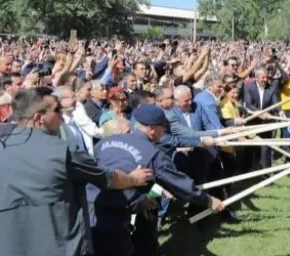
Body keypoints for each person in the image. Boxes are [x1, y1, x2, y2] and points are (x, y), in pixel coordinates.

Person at [0, 87, 152, 256]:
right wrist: (133, 179)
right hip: (58, 245)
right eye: (57, 110)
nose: (62, 117)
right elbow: (109, 178)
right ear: (38, 118)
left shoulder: (2, 145)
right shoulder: (61, 151)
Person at [87, 104, 225, 256]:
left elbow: (108, 175)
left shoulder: (103, 143)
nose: (165, 130)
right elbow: (179, 183)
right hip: (113, 216)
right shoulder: (153, 154)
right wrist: (208, 200)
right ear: (151, 128)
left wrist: (139, 198)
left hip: (88, 208)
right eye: (163, 126)